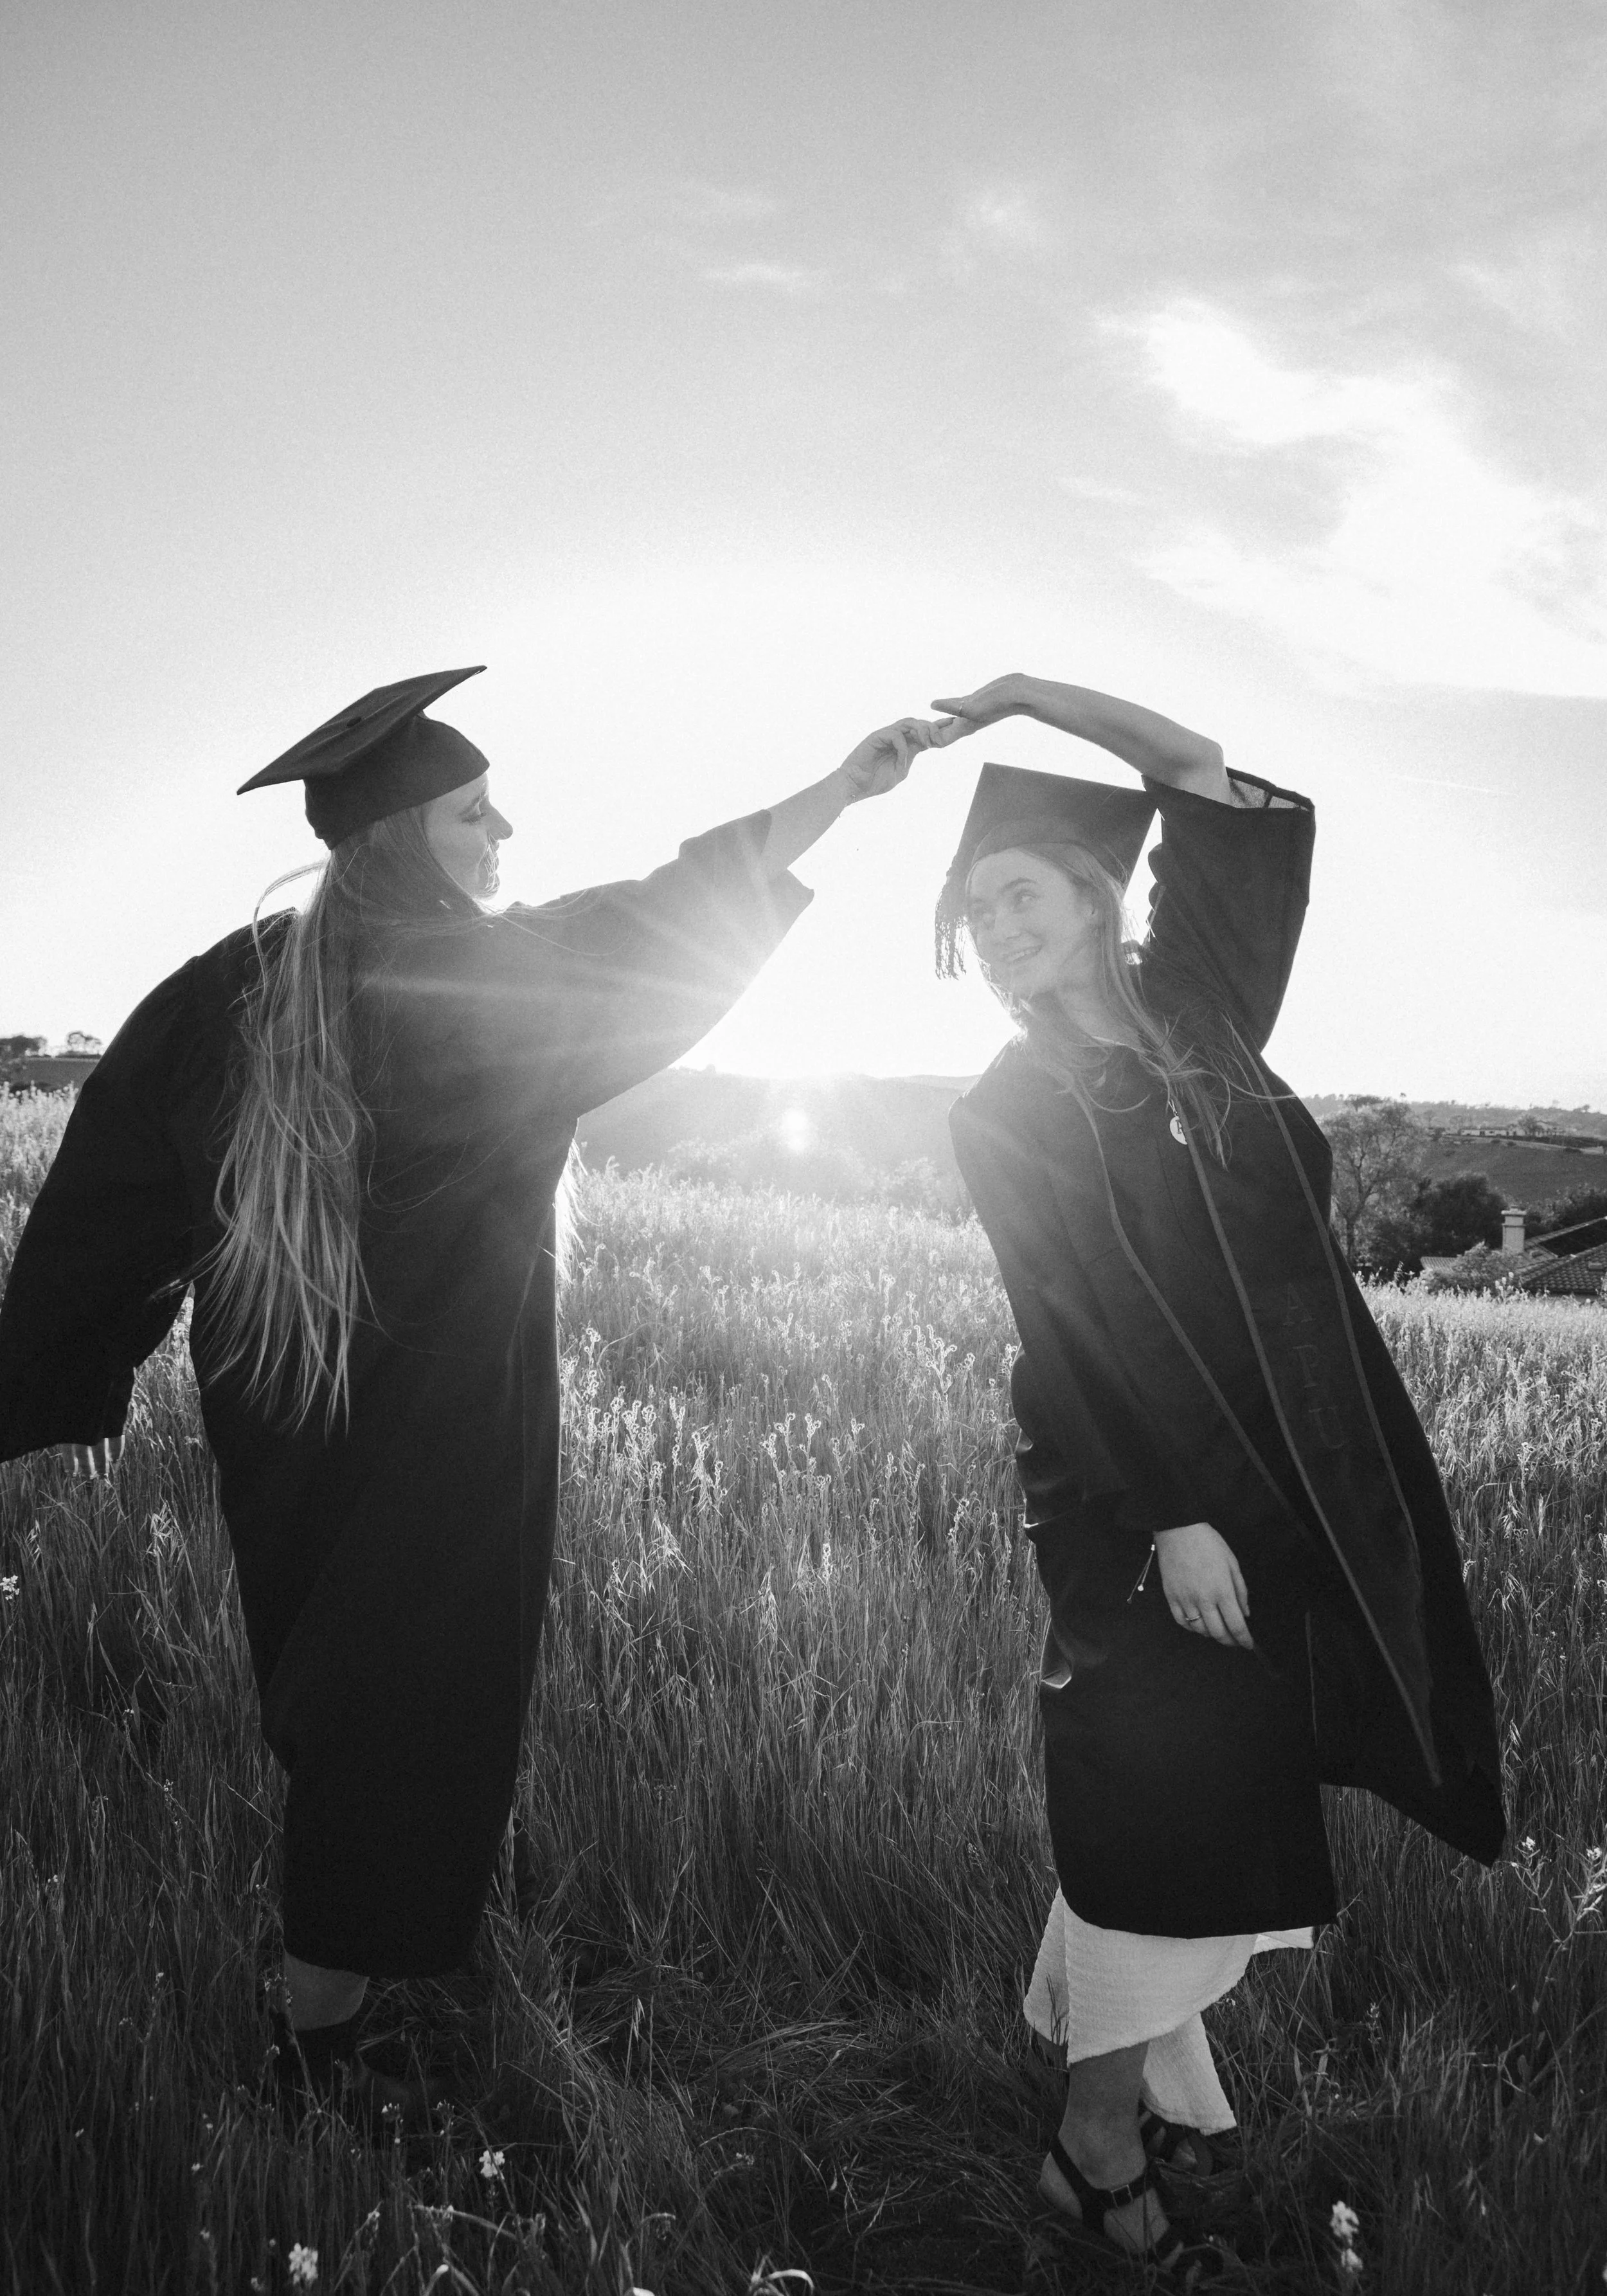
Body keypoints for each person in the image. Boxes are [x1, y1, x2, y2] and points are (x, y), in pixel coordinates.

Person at [0, 664, 952, 2117]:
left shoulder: (222, 992)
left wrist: (47, 1371)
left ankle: (340, 1989)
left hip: (281, 1399)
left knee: (332, 1687)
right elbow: (663, 918)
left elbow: (107, 1204)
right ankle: (320, 2035)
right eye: (474, 815)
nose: (503, 834)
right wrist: (837, 791)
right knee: (412, 1706)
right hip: (448, 1419)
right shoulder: (488, 980)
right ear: (401, 838)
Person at [929, 671, 1504, 2282]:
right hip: (1129, 1500)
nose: (994, 929)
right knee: (1151, 1810)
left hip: (1303, 1485)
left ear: (1097, 894)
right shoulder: (1005, 1110)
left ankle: (1130, 2110)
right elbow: (1059, 1338)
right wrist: (1169, 1516)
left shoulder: (1197, 1013)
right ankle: (1094, 2144)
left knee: (1220, 1806)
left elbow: (1193, 770)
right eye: (974, 914)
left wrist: (1022, 698)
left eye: (1018, 894)